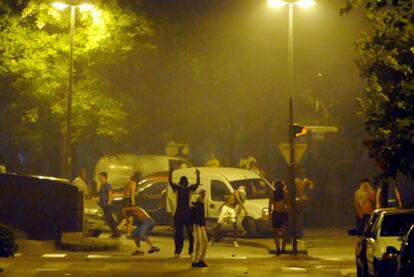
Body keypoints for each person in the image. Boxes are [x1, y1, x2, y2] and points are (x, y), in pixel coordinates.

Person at [169, 167, 201, 258]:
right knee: (189, 233)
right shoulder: (189, 188)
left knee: (179, 233)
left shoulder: (178, 188)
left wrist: (170, 172)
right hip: (186, 213)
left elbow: (170, 182)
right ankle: (189, 251)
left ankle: (178, 251)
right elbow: (197, 183)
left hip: (180, 213)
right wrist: (198, 175)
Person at [268, 180, 290, 255]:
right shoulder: (285, 194)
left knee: (276, 233)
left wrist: (269, 216)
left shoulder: (272, 195)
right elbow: (288, 206)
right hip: (283, 213)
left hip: (276, 214)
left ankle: (278, 249)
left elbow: (269, 207)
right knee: (284, 233)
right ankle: (283, 248)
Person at [117, 171, 141, 237]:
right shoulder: (133, 183)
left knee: (130, 217)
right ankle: (119, 227)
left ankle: (128, 233)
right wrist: (133, 202)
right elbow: (132, 193)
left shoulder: (128, 182)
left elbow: (125, 191)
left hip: (124, 200)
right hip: (129, 201)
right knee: (129, 217)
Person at [98, 172, 120, 238]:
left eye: (100, 176)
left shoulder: (108, 185)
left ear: (104, 177)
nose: (99, 178)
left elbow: (110, 195)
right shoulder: (102, 185)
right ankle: (116, 233)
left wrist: (109, 203)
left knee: (110, 220)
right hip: (102, 205)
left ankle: (116, 233)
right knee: (108, 220)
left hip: (107, 205)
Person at [190, 189, 208, 268]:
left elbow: (202, 216)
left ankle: (201, 259)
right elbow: (195, 216)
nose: (203, 197)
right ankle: (196, 260)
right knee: (199, 241)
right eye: (202, 195)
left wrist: (204, 225)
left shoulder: (202, 204)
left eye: (204, 195)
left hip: (201, 225)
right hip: (197, 224)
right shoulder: (195, 205)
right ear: (199, 195)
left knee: (205, 241)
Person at [294, 168, 314, 239]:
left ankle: (299, 231)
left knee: (302, 218)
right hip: (300, 201)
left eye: (303, 173)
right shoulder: (297, 181)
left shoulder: (305, 181)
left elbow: (311, 188)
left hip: (303, 201)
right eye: (301, 173)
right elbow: (311, 188)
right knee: (300, 218)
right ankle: (298, 232)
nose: (302, 175)